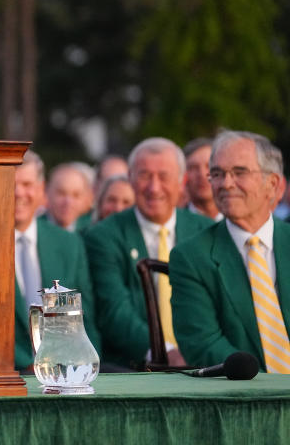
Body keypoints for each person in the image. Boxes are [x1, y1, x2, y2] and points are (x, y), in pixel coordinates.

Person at [84, 137, 212, 369]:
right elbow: (114, 311)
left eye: (164, 176)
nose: (154, 188)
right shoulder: (103, 236)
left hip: (202, 361)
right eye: (144, 176)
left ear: (181, 181)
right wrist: (166, 352)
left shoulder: (205, 231)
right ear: (131, 179)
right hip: (134, 368)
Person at [170, 131, 290, 372]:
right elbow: (202, 343)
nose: (226, 183)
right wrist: (268, 385)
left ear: (273, 184)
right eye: (217, 174)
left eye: (239, 172)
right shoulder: (191, 257)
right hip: (244, 397)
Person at [13, 151, 99, 370]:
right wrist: (27, 365)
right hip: (3, 375)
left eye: (26, 184)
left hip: (63, 373)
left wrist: (87, 365)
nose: (18, 192)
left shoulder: (69, 244)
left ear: (42, 190)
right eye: (10, 183)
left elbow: (84, 319)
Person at [41, 163, 93, 233]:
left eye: (76, 195)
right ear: (47, 192)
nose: (68, 202)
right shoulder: (33, 230)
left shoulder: (90, 232)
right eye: (61, 193)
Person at [183, 137, 222, 221]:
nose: (202, 175)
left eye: (209, 166)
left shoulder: (239, 220)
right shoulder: (174, 224)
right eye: (193, 168)